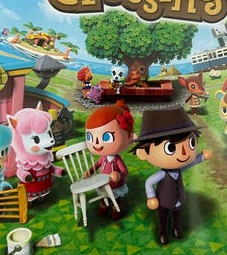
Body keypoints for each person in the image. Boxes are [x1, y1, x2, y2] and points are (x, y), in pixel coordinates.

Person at [134, 106, 211, 245]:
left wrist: (201, 157)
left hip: (179, 198)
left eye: (191, 142)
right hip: (164, 200)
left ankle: (176, 227)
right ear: (143, 153)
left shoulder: (179, 168)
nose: (183, 153)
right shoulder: (162, 174)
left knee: (177, 214)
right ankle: (162, 232)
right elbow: (149, 182)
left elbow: (189, 164)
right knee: (163, 216)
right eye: (171, 148)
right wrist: (151, 197)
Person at [84, 100, 135, 220]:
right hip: (104, 183)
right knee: (104, 197)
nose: (97, 143)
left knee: (116, 198)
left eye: (106, 137)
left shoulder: (117, 160)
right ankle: (104, 205)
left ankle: (116, 208)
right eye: (90, 137)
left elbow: (125, 172)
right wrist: (90, 171)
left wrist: (119, 175)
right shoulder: (103, 158)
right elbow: (97, 164)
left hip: (115, 185)